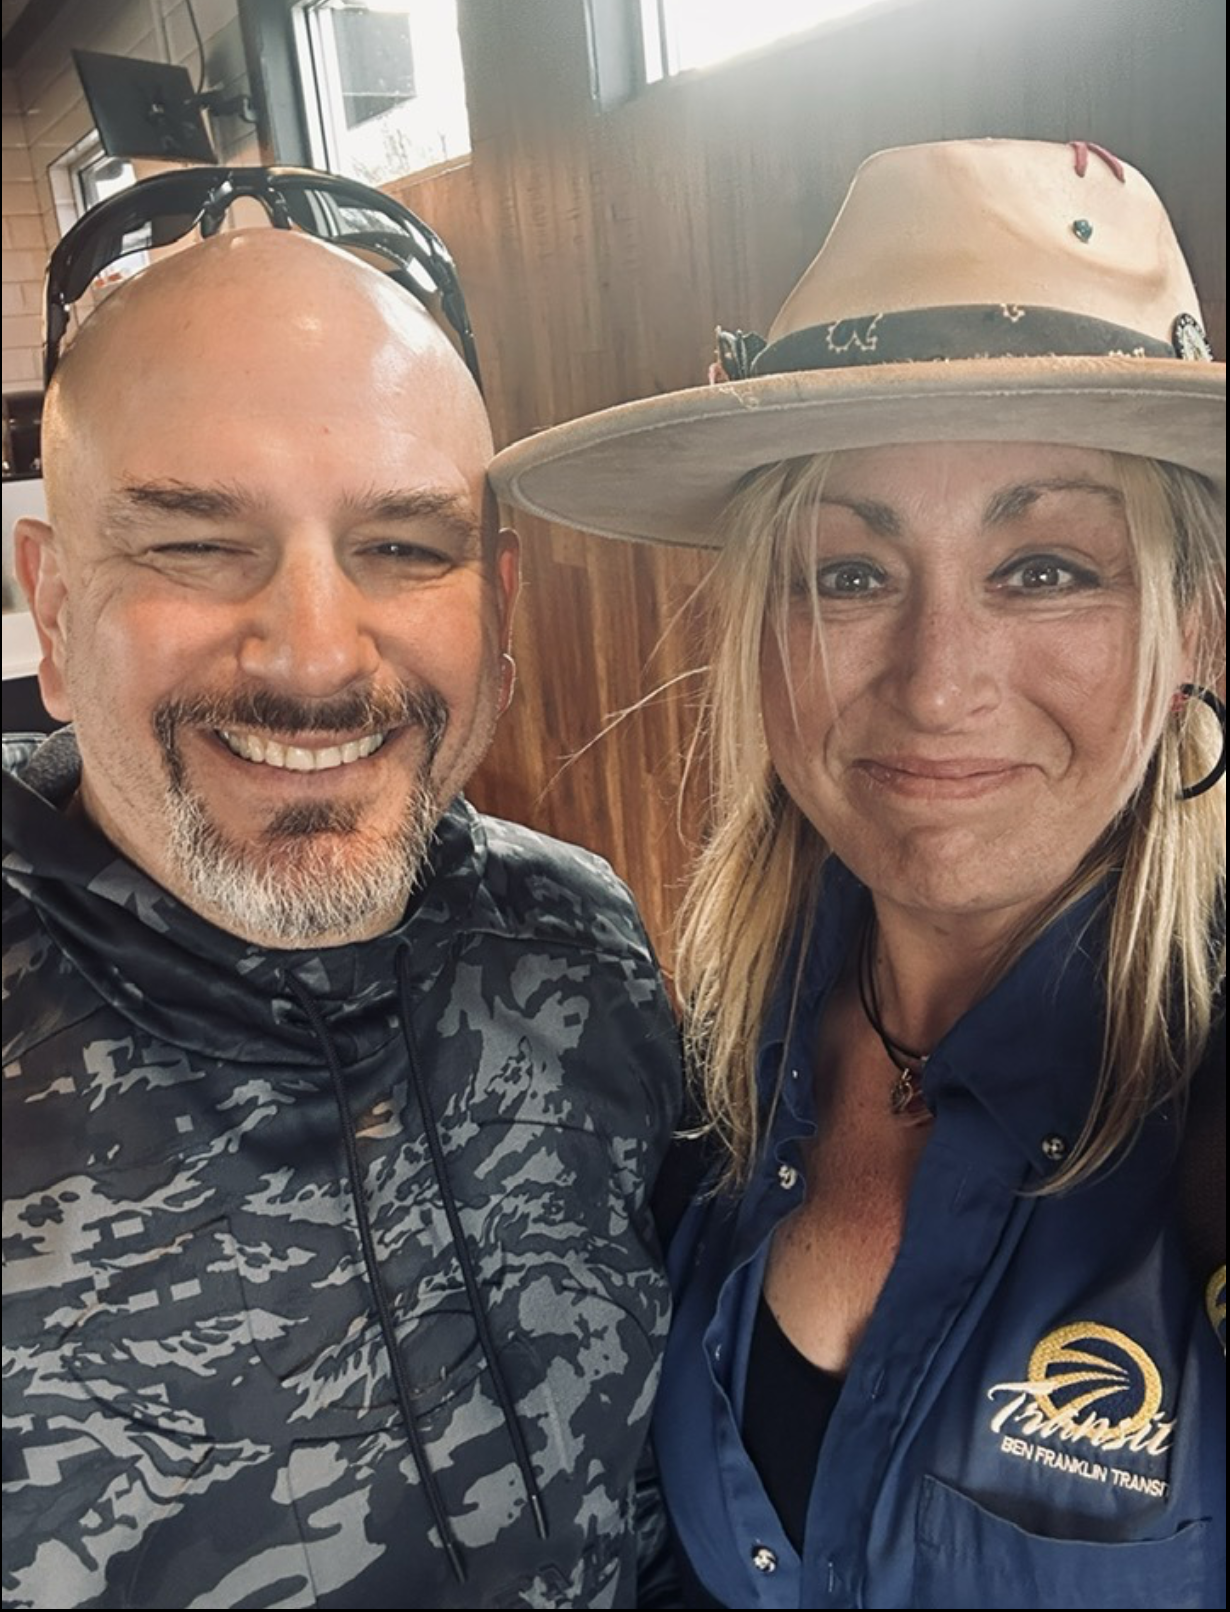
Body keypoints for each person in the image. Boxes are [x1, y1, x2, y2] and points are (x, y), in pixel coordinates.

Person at [490, 138, 1226, 1608]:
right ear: (762, 633)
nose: (937, 683)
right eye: (848, 574)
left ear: (1191, 628)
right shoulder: (711, 1055)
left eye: (1044, 569)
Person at [2, 169, 680, 1610]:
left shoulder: (581, 952)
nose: (314, 655)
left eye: (402, 547)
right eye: (196, 543)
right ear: (53, 611)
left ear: (498, 607)